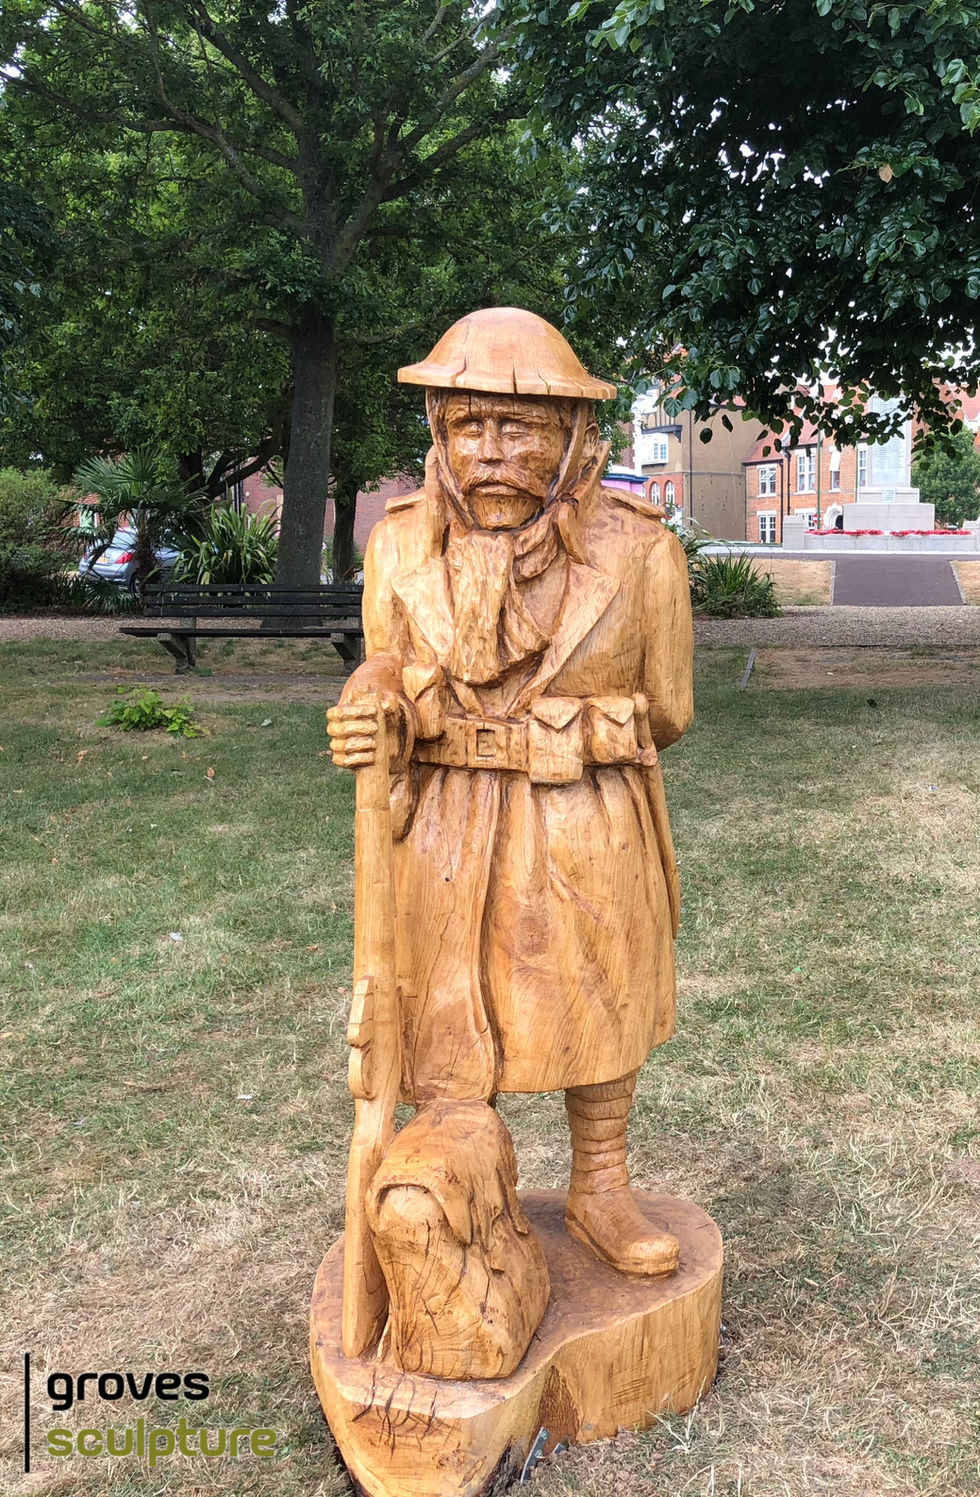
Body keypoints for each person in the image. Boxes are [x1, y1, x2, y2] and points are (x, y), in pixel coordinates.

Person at [328, 307, 694, 1281]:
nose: (489, 451)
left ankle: (600, 1183)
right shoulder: (401, 546)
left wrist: (558, 733)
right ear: (439, 435)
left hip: (582, 820)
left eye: (517, 426)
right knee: (452, 1010)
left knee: (597, 1001)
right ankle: (463, 1189)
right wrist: (370, 702)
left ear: (572, 435)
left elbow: (666, 711)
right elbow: (386, 666)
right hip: (444, 822)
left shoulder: (639, 551)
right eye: (465, 426)